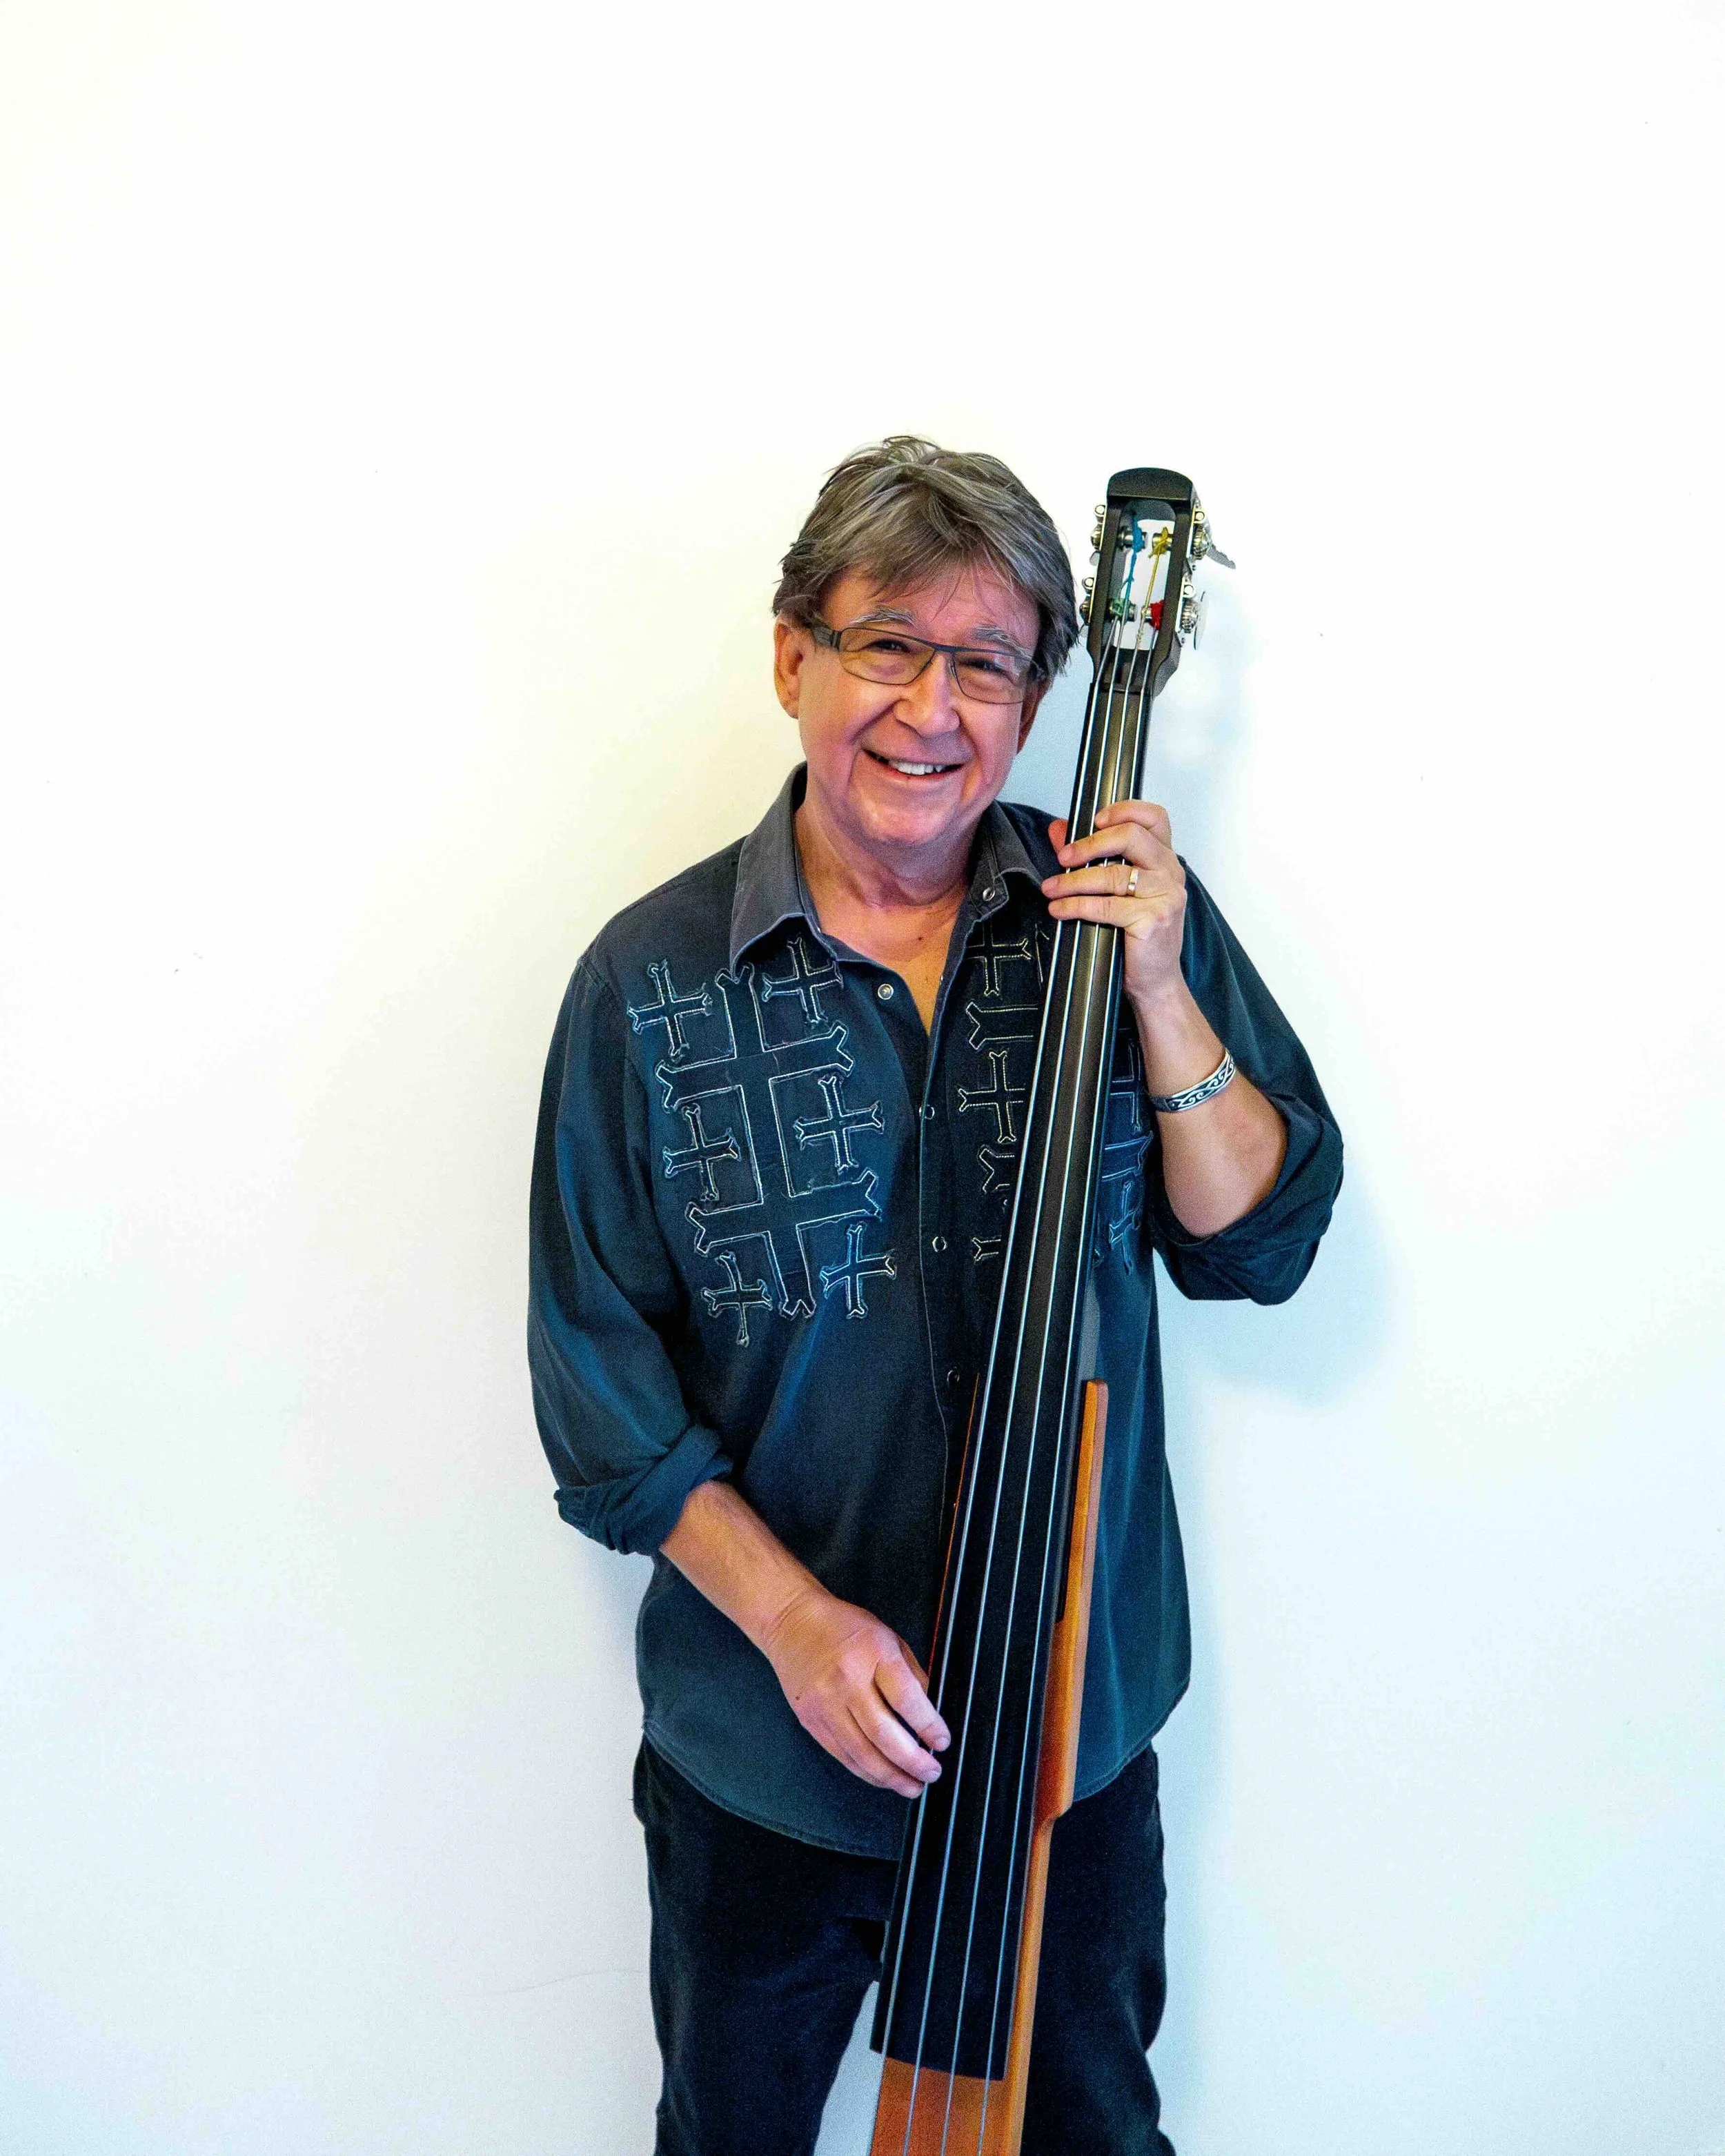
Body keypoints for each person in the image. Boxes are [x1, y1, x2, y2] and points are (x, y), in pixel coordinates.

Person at [529, 437, 1343, 2155]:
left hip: (1065, 1752)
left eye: (984, 662)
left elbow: (1257, 1241)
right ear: (791, 660)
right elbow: (601, 1390)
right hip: (769, 1763)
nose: (928, 705)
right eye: (887, 643)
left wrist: (1159, 993)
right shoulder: (650, 983)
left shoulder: (1116, 916)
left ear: (1042, 692)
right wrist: (797, 1626)